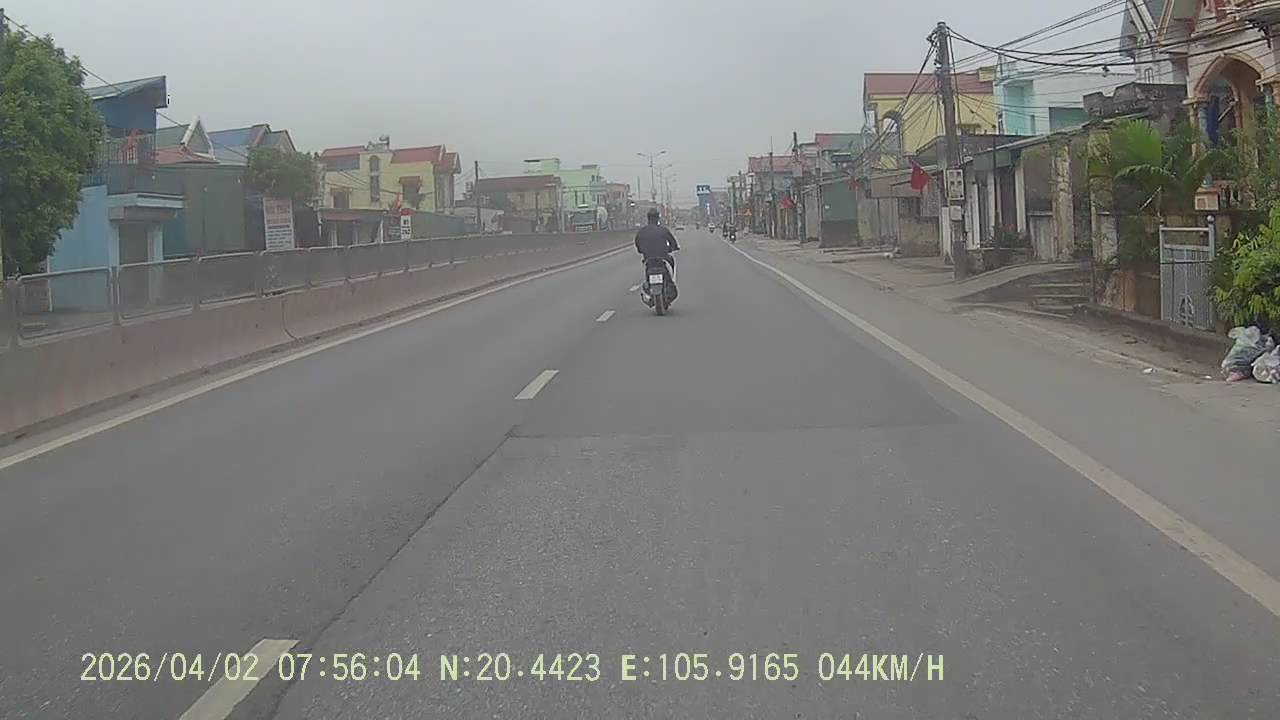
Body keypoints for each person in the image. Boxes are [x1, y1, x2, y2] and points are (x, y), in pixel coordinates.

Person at [635, 208, 679, 275]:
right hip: (663, 258)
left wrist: (641, 250)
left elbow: (638, 244)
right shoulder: (663, 230)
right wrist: (673, 248)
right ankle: (672, 279)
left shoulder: (641, 231)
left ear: (648, 218)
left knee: (646, 266)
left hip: (648, 259)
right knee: (671, 261)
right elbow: (673, 243)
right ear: (658, 218)